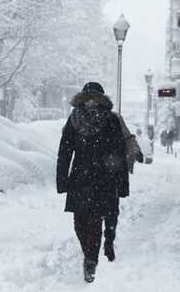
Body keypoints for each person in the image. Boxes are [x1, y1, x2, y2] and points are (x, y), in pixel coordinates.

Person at [57, 82, 128, 283]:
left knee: (83, 222)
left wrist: (63, 180)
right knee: (88, 222)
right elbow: (119, 154)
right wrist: (121, 182)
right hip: (98, 178)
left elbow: (65, 152)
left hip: (86, 177)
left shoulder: (78, 119)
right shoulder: (103, 119)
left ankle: (90, 259)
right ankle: (91, 257)